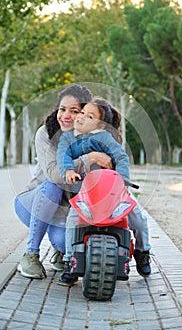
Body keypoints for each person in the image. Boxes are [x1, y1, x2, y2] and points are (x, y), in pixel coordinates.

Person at [14, 84, 113, 279]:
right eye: (62, 109)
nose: (65, 116)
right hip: (34, 203)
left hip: (64, 211)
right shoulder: (45, 134)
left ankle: (59, 251)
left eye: (74, 111)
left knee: (64, 243)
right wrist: (90, 158)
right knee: (53, 186)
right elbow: (54, 174)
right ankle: (30, 255)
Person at [56, 97, 151, 286]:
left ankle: (143, 251)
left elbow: (121, 157)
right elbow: (63, 154)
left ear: (100, 125)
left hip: (113, 190)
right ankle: (70, 261)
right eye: (82, 113)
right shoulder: (67, 138)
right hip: (86, 192)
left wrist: (123, 180)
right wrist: (68, 170)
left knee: (138, 217)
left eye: (89, 116)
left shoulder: (104, 138)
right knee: (73, 219)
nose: (82, 117)